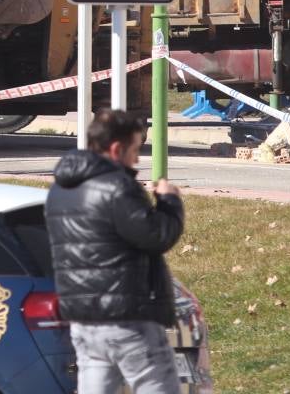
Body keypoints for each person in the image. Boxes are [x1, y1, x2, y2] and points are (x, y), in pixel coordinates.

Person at [45, 109, 185, 394]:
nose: (137, 159)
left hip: (83, 318)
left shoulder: (60, 189)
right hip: (126, 316)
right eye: (135, 150)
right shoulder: (117, 187)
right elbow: (157, 235)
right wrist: (170, 201)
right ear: (116, 148)